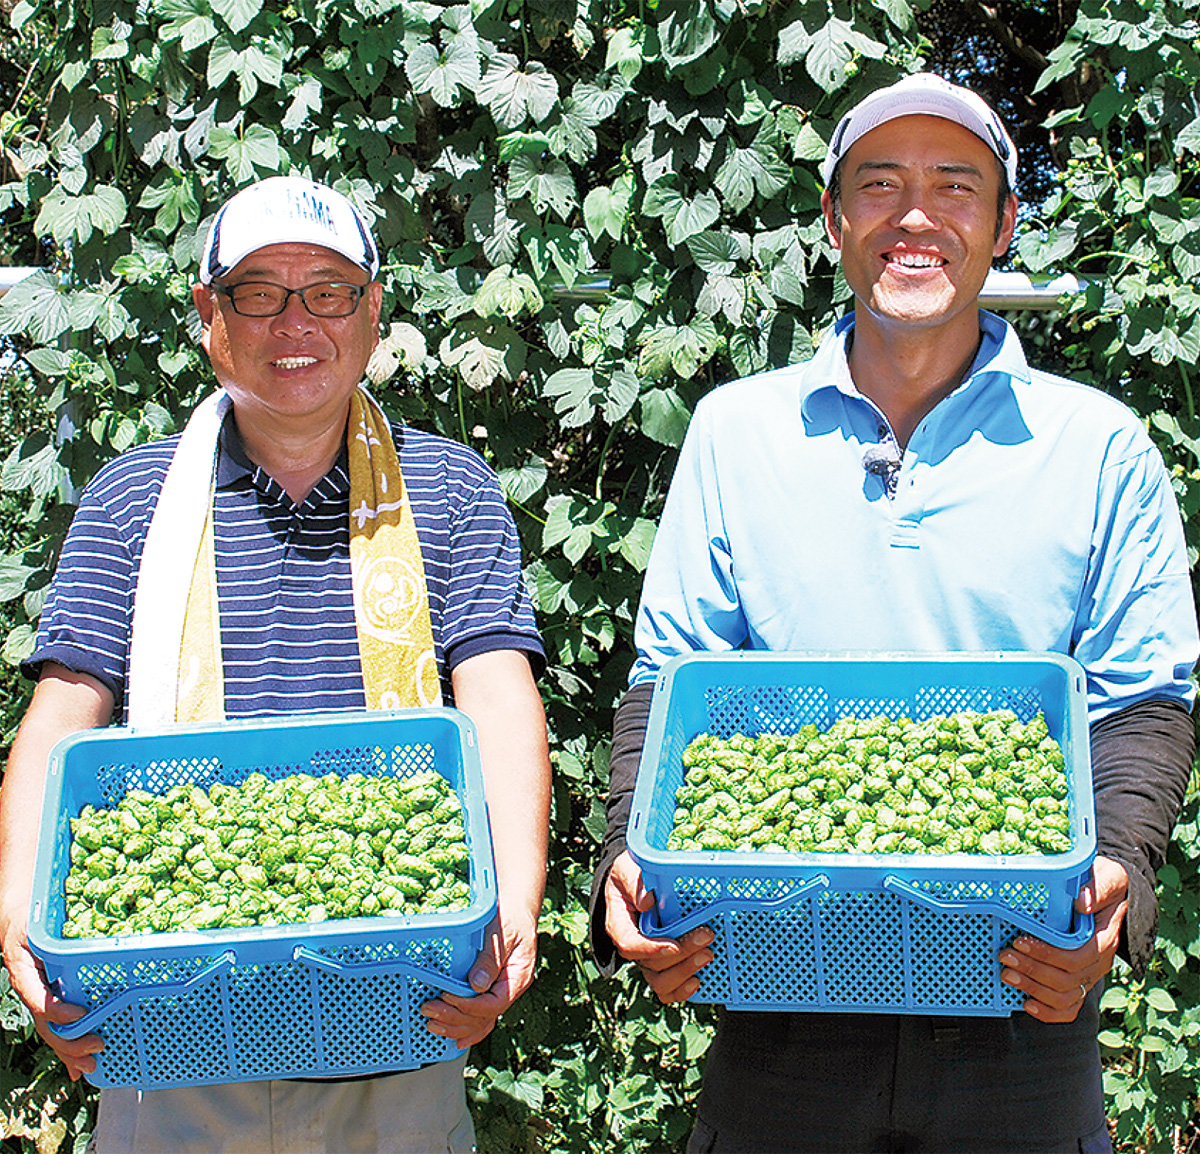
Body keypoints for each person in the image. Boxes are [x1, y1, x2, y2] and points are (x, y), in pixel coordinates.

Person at [591, 73, 1198, 1153]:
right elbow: (671, 683)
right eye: (880, 185)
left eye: (955, 186)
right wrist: (632, 866)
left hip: (1018, 1005)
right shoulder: (738, 433)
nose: (915, 217)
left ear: (1005, 223)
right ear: (834, 222)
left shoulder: (1099, 446)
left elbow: (1142, 698)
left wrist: (1114, 880)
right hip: (781, 992)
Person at [0, 175, 552, 1153]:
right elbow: (59, 717)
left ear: (373, 311)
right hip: (171, 1041)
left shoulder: (449, 489)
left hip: (398, 1030)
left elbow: (501, 698)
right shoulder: (133, 501)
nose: (296, 321)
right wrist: (20, 922)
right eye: (258, 291)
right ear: (210, 316)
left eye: (328, 290)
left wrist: (510, 908)